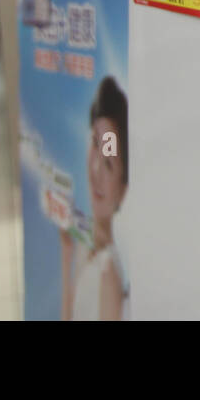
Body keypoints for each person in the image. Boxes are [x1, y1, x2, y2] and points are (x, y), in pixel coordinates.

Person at [60, 77, 130, 320]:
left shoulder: (108, 270)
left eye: (109, 164)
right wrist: (66, 252)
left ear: (123, 189)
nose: (96, 169)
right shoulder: (85, 243)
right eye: (95, 144)